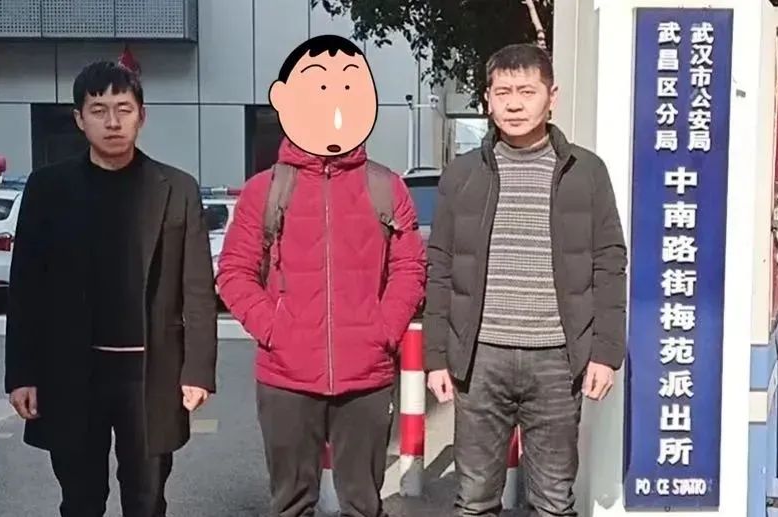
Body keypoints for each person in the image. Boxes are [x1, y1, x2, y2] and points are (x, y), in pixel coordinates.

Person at [216, 34, 426, 517]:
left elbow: (410, 266)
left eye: (349, 88)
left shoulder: (386, 187)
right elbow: (234, 273)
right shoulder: (264, 190)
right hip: (286, 377)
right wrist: (275, 329)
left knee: (363, 503)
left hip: (366, 376)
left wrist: (382, 330)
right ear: (285, 99)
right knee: (291, 503)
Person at [4, 60, 218, 517]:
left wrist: (198, 369)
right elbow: (25, 289)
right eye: (98, 110)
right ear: (79, 119)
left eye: (124, 108)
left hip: (151, 372)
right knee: (80, 499)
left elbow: (198, 287)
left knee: (147, 499)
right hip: (71, 371)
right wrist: (21, 374)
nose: (113, 121)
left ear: (142, 115)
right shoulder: (48, 189)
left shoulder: (177, 188)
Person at [423, 43, 628, 516]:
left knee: (553, 500)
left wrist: (605, 353)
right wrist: (436, 358)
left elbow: (609, 263)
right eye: (503, 93)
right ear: (488, 99)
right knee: (474, 499)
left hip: (558, 360)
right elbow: (441, 268)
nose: (514, 104)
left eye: (526, 92)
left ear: (551, 97)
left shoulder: (585, 172)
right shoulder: (463, 174)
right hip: (480, 359)